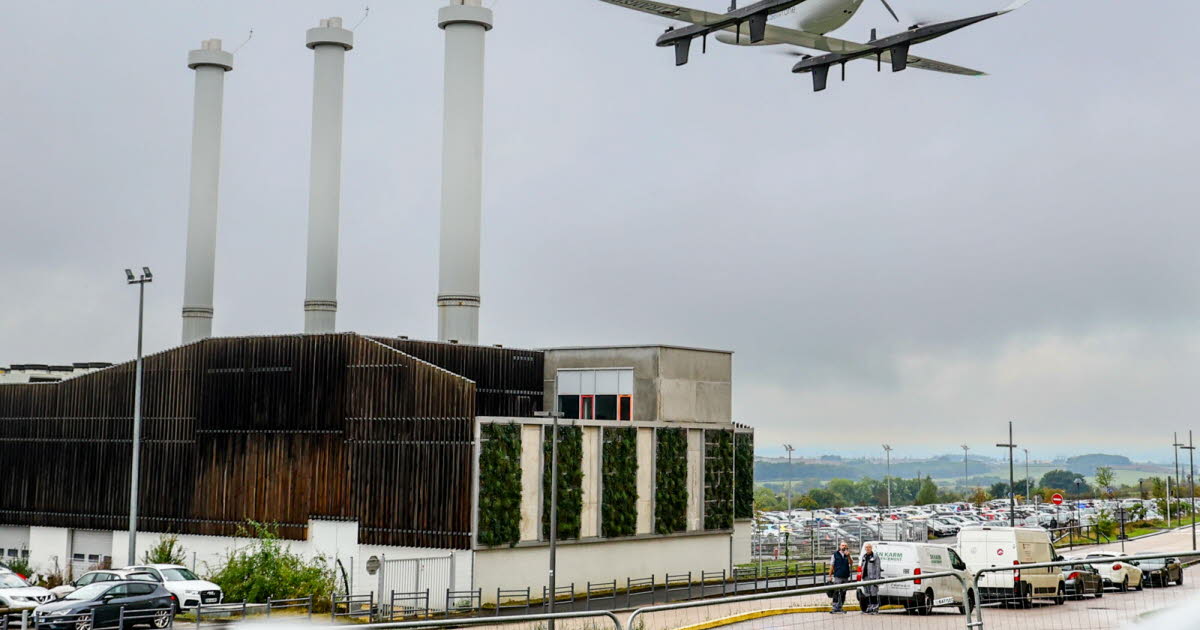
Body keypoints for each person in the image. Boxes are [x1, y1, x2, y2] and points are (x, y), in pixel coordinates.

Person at [829, 541, 852, 614]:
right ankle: (834, 607)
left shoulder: (848, 554)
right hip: (838, 575)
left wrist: (848, 556)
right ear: (840, 546)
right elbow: (832, 565)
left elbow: (851, 563)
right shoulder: (835, 555)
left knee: (843, 592)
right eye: (842, 545)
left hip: (845, 576)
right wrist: (830, 575)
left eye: (845, 545)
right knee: (836, 591)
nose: (844, 547)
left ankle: (840, 606)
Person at [860, 543, 882, 614]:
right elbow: (862, 566)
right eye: (866, 547)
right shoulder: (864, 556)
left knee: (873, 593)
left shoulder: (875, 556)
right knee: (867, 593)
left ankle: (875, 607)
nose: (868, 548)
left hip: (873, 578)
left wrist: (877, 579)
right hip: (865, 577)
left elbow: (878, 568)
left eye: (869, 547)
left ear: (871, 548)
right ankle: (869, 607)